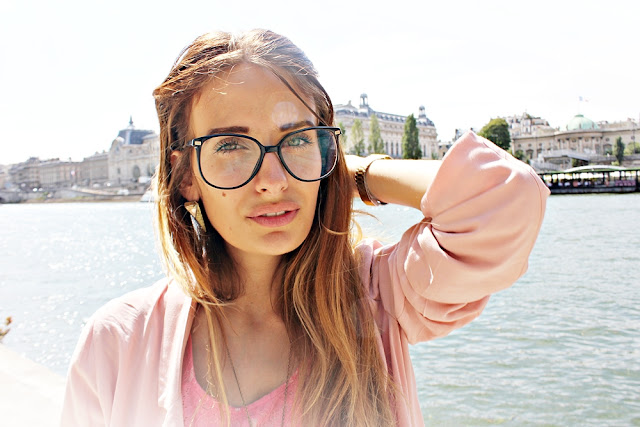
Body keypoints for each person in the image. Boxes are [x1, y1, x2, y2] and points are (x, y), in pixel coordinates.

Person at [61, 29, 549, 426]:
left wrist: (349, 172)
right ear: (186, 176)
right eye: (231, 146)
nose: (273, 181)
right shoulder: (117, 341)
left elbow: (509, 200)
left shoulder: (378, 295)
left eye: (296, 139)